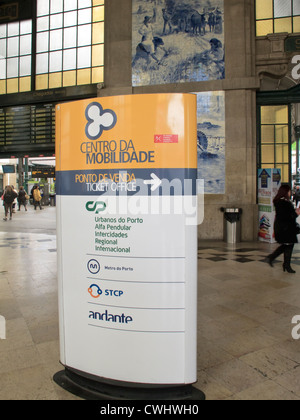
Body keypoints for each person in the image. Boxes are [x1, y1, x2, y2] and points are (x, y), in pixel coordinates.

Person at [267, 185, 300, 273]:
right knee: (288, 245)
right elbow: (288, 217)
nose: (290, 193)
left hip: (283, 228)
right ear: (286, 192)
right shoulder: (284, 203)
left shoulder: (279, 202)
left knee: (287, 245)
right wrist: (296, 213)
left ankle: (284, 263)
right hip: (286, 229)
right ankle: (283, 263)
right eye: (289, 191)